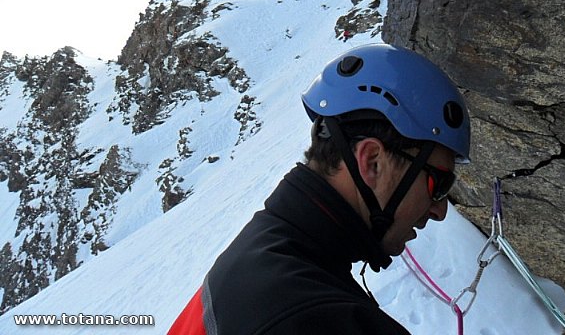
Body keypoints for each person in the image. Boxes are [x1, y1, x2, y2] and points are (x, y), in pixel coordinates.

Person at [169, 43, 471, 334]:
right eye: (438, 183)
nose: (440, 210)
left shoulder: (263, 254)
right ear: (373, 162)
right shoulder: (315, 317)